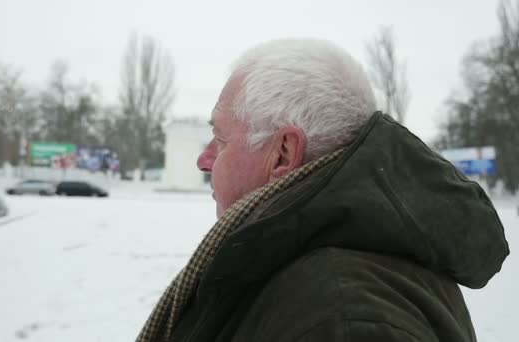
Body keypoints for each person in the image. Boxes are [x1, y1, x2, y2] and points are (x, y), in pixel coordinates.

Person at [136, 38, 509, 342]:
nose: (204, 159)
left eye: (219, 138)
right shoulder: (318, 267)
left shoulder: (341, 317)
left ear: (283, 153)